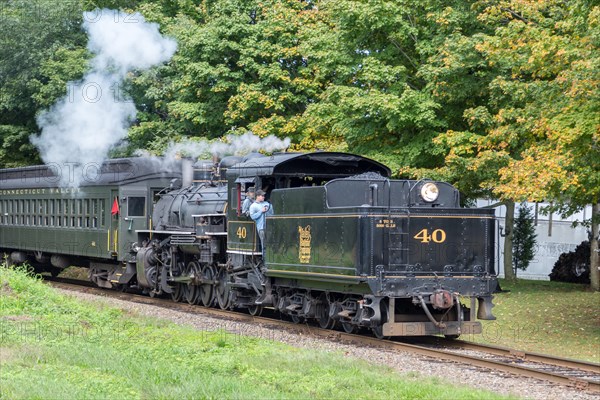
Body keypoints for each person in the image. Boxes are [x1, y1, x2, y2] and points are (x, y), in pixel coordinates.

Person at [249, 189, 274, 256]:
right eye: (262, 196)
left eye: (264, 196)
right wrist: (261, 211)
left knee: (271, 244)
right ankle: (265, 261)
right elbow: (253, 217)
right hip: (261, 228)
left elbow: (272, 213)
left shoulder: (267, 203)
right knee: (264, 245)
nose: (263, 197)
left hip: (270, 226)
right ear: (257, 196)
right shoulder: (253, 206)